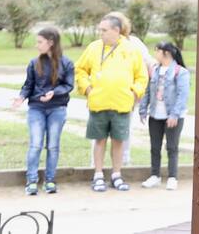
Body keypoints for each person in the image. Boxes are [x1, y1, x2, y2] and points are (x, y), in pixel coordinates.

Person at [74, 14, 149, 193]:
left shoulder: (131, 50)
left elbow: (142, 76)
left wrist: (134, 93)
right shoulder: (93, 47)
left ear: (116, 30)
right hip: (98, 103)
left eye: (104, 30)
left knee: (119, 141)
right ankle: (98, 175)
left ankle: (116, 175)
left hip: (122, 104)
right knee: (99, 140)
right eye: (100, 29)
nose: (101, 33)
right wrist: (87, 89)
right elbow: (80, 69)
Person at [13, 27, 74, 195]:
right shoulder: (34, 63)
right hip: (36, 109)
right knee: (35, 144)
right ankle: (31, 181)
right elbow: (28, 85)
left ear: (51, 43)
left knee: (53, 146)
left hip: (57, 108)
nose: (37, 45)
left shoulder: (67, 63)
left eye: (40, 42)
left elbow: (69, 85)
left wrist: (54, 92)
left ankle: (50, 180)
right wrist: (21, 97)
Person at [105, 10, 156, 166]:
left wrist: (138, 90)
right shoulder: (101, 44)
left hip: (127, 96)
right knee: (100, 132)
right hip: (104, 95)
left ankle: (123, 163)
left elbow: (149, 62)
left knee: (123, 130)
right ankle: (96, 166)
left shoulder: (134, 43)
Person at [139, 42, 191, 190]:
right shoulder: (154, 70)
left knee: (172, 147)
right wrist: (143, 109)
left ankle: (172, 177)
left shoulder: (180, 72)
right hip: (155, 115)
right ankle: (154, 175)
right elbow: (148, 91)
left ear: (166, 54)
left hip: (173, 116)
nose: (155, 54)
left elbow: (183, 95)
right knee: (154, 147)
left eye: (157, 51)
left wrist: (175, 114)